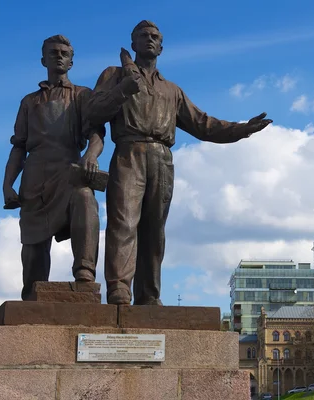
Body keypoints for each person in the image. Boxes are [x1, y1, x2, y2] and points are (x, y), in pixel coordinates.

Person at [87, 20, 272, 305]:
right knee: (123, 222)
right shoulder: (114, 75)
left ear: (161, 47)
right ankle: (119, 289)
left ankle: (149, 295)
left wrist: (241, 129)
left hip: (162, 158)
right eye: (143, 36)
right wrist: (124, 89)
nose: (149, 39)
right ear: (133, 43)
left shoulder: (171, 90)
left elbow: (203, 124)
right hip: (128, 152)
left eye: (154, 37)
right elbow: (93, 113)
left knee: (154, 230)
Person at [2, 35, 104, 300]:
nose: (58, 56)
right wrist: (7, 185)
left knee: (85, 200)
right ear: (43, 59)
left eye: (64, 53)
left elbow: (96, 133)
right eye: (53, 52)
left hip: (69, 170)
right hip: (35, 177)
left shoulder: (83, 96)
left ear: (71, 61)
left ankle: (85, 273)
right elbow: (18, 147)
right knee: (33, 249)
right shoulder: (29, 102)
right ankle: (32, 297)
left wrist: (91, 156)